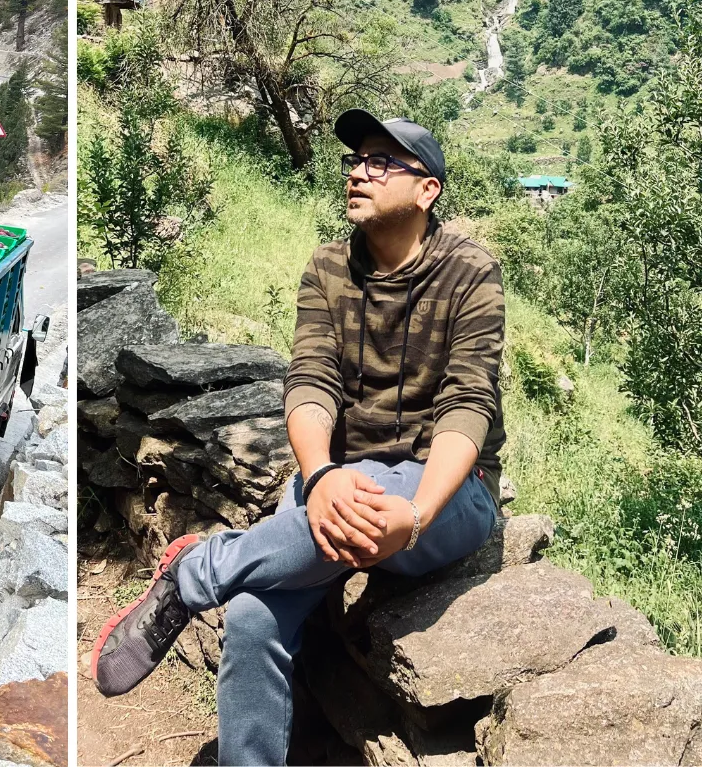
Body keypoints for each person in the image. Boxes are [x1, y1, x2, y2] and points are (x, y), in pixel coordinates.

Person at [91, 109, 504, 766]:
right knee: (254, 616)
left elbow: (468, 402)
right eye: (355, 161)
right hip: (338, 481)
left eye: (381, 161)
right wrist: (319, 474)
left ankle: (197, 570)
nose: (358, 172)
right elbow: (311, 384)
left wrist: (417, 514)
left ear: (427, 190)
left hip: (447, 489)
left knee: (369, 509)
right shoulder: (328, 270)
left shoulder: (468, 271)